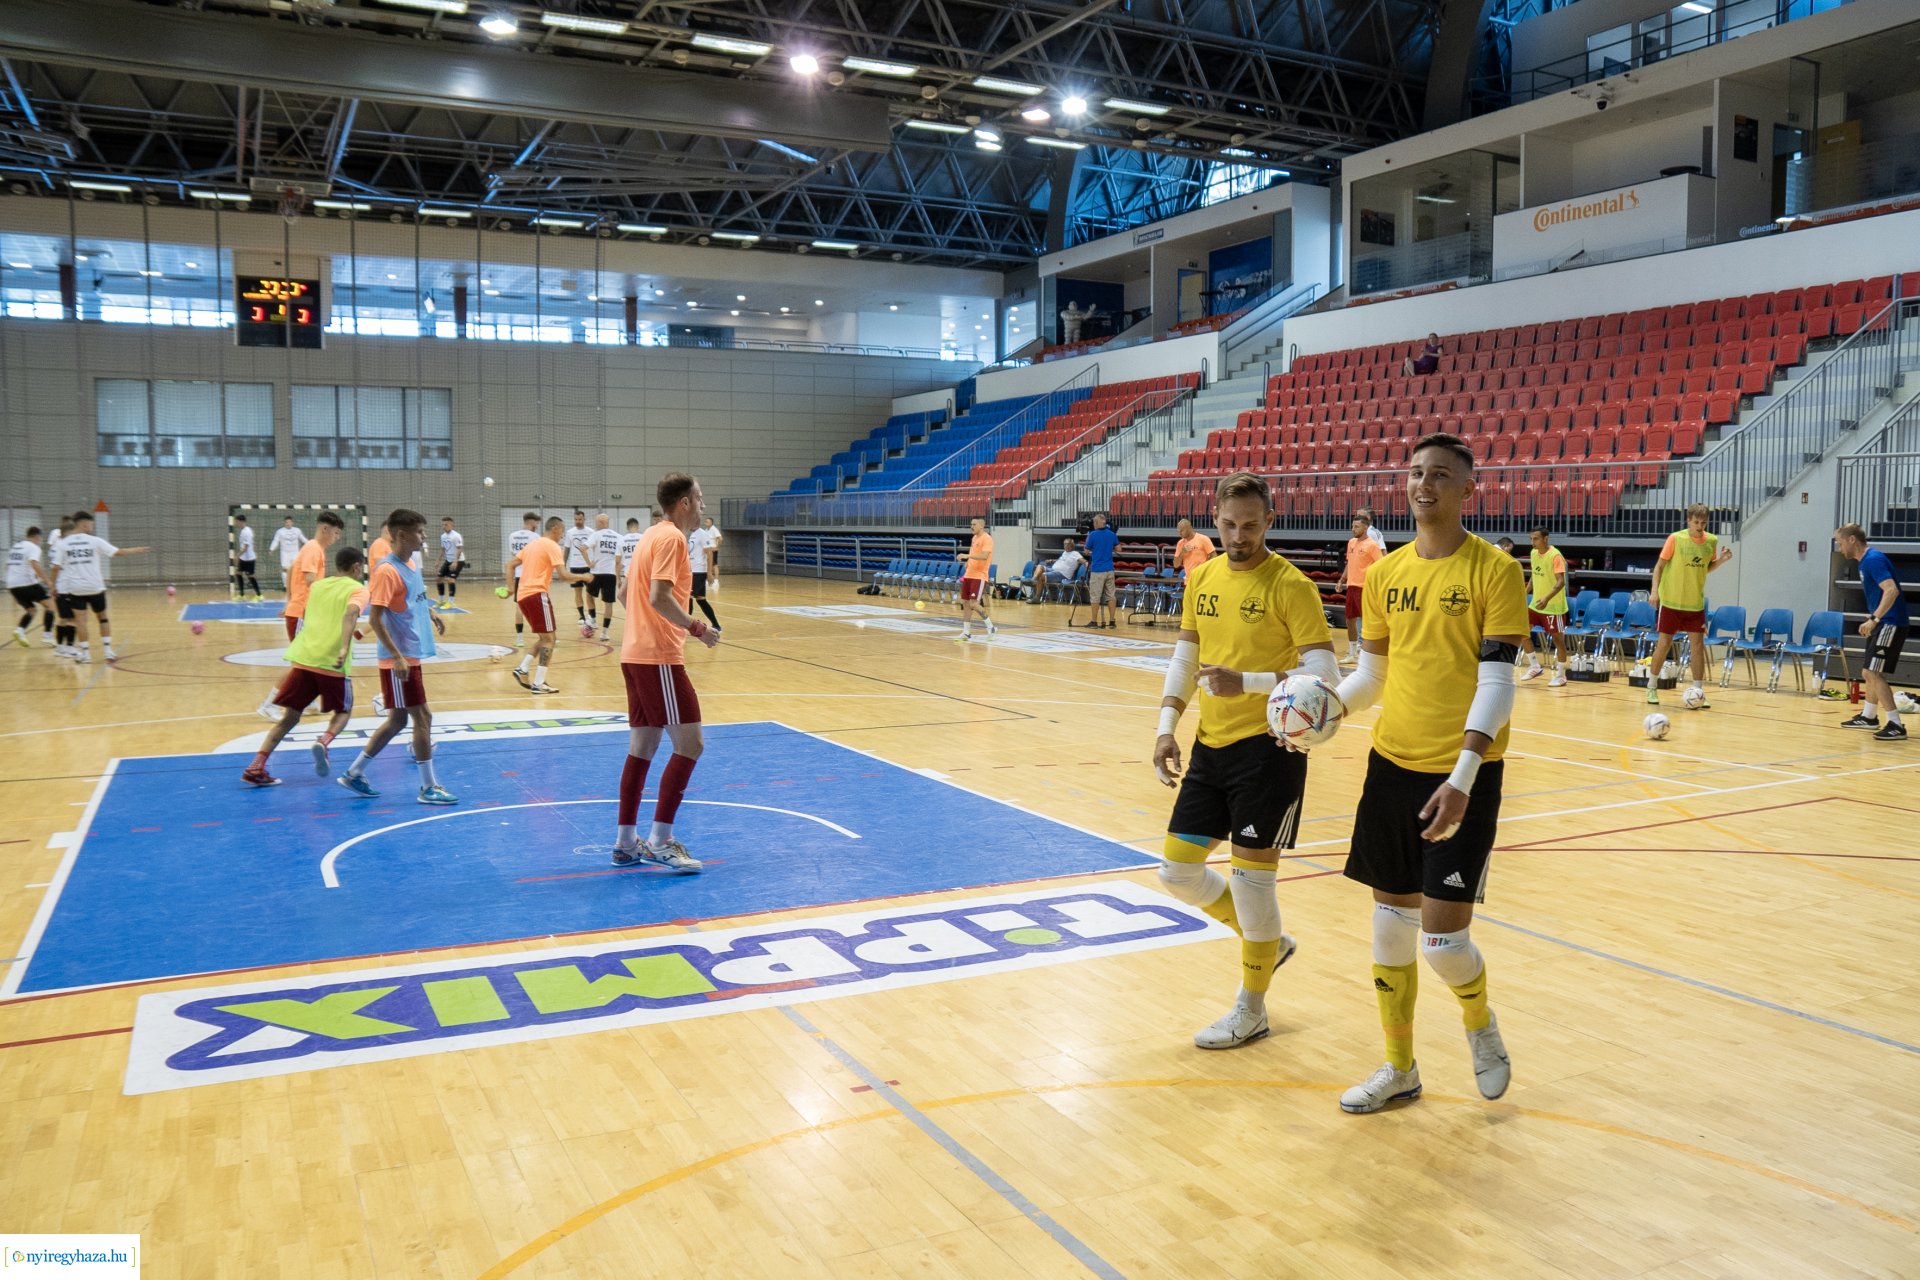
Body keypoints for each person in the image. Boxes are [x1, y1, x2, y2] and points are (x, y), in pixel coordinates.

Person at [1324, 431, 1527, 1114]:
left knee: (1442, 943)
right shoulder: (1385, 574)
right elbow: (1372, 676)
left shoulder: (1495, 571)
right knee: (1389, 928)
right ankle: (1399, 1068)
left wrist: (1462, 778)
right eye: (1416, 472)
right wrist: (1326, 710)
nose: (1424, 484)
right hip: (1392, 766)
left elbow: (1498, 684)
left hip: (1463, 775)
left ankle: (1479, 1022)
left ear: (1468, 489)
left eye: (1440, 474)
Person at [1151, 471, 1338, 1049]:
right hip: (1210, 744)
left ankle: (1251, 1008)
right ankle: (1268, 944)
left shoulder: (1292, 586)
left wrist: (1249, 682)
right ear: (1215, 520)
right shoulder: (1203, 576)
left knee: (1253, 886)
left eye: (1251, 525)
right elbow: (1186, 659)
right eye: (1230, 525)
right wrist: (1166, 727)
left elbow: (1326, 674)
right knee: (1177, 871)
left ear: (1270, 522)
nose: (1239, 536)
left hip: (1269, 751)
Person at [612, 473, 722, 871]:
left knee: (642, 749)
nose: (703, 505)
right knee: (691, 745)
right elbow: (658, 596)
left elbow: (625, 594)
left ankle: (626, 843)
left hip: (635, 654)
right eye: (700, 497)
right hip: (658, 658)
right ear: (684, 503)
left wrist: (643, 626)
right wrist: (697, 628)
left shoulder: (648, 536)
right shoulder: (673, 538)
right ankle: (660, 840)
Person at [338, 509, 456, 804]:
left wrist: (431, 612)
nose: (424, 536)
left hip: (409, 654)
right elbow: (375, 619)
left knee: (398, 721)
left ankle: (354, 773)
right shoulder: (387, 571)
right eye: (420, 532)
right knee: (422, 717)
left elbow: (414, 597)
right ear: (402, 535)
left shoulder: (411, 564)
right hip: (399, 660)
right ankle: (428, 787)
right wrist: (397, 657)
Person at [242, 546, 367, 788]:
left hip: (304, 658)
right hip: (331, 662)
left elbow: (307, 613)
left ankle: (256, 766)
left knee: (289, 718)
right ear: (356, 567)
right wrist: (343, 647)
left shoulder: (318, 586)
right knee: (343, 711)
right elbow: (351, 613)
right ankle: (324, 741)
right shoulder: (358, 589)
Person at [1644, 503, 1733, 709]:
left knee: (1698, 647)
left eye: (1703, 523)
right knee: (1664, 645)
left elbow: (1705, 568)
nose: (1700, 526)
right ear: (1688, 521)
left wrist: (1721, 560)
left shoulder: (1711, 541)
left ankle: (1698, 692)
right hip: (1671, 601)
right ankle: (1652, 686)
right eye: (1696, 522)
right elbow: (1659, 567)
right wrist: (1655, 591)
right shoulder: (1675, 539)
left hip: (1694, 604)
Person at [260, 511, 341, 716]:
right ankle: (269, 705)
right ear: (325, 528)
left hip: (301, 612)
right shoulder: (313, 549)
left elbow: (291, 572)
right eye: (336, 533)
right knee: (300, 663)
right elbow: (310, 580)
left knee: (310, 661)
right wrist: (335, 591)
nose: (337, 538)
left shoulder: (312, 548)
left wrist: (289, 600)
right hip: (301, 615)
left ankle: (308, 701)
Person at [1836, 523, 1909, 741]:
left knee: (1873, 673)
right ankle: (1869, 716)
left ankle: (1896, 724)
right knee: (1868, 672)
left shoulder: (1873, 560)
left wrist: (1874, 618)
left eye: (1840, 543)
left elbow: (1891, 590)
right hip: (1882, 622)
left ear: (1852, 540)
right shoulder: (1866, 561)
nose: (1840, 548)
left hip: (1890, 623)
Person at [508, 516, 591, 695]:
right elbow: (563, 575)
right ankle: (539, 683)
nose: (562, 536)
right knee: (549, 640)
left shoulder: (533, 545)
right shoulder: (552, 546)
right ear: (555, 529)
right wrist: (584, 577)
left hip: (523, 596)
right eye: (562, 531)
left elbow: (510, 565)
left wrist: (510, 589)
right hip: (537, 595)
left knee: (545, 637)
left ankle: (522, 669)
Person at [53, 512, 151, 664]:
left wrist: (52, 585)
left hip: (75, 588)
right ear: (84, 524)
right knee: (103, 618)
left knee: (80, 621)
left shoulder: (63, 543)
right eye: (91, 524)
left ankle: (86, 654)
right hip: (95, 587)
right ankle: (108, 651)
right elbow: (117, 552)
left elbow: (56, 567)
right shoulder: (94, 541)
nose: (92, 527)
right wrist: (135, 550)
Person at [1520, 527, 1571, 687]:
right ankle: (1535, 666)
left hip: (1553, 607)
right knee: (1522, 632)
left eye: (1535, 538)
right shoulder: (1533, 553)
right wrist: (1525, 593)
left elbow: (1561, 582)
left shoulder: (1555, 556)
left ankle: (1561, 675)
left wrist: (1547, 598)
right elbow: (1534, 576)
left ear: (1545, 539)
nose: (1532, 542)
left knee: (1558, 640)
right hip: (1535, 604)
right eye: (1531, 539)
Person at [1336, 513, 1384, 664]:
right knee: (1349, 620)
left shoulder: (1372, 545)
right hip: (1351, 586)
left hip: (1365, 588)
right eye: (1352, 526)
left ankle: (1370, 654)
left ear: (1365, 528)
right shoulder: (1351, 542)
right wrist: (1342, 580)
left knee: (1368, 621)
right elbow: (1349, 563)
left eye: (1356, 527)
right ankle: (1352, 653)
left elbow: (1381, 566)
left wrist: (1375, 585)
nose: (1353, 529)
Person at [7, 526, 54, 648]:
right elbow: (35, 564)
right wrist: (47, 581)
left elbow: (8, 566)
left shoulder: (15, 547)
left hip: (12, 585)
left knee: (31, 610)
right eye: (40, 539)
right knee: (50, 606)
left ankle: (20, 631)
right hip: (26, 583)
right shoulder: (33, 547)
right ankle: (48, 636)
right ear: (37, 537)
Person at [954, 516, 997, 642]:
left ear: (981, 526)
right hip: (969, 574)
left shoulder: (987, 538)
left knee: (974, 603)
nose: (971, 527)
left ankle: (991, 627)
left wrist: (967, 556)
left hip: (979, 575)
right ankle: (966, 632)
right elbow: (974, 551)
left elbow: (984, 556)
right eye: (971, 524)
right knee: (965, 603)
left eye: (974, 524)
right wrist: (968, 562)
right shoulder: (974, 538)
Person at [586, 513, 622, 641]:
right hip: (611, 574)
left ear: (601, 522)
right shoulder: (619, 537)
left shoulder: (596, 534)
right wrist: (619, 573)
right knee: (608, 604)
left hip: (596, 572)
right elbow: (620, 557)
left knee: (589, 596)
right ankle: (604, 633)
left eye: (597, 522)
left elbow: (583, 548)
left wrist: (589, 563)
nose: (595, 524)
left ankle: (593, 620)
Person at [506, 512, 539, 650]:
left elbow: (513, 555)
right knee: (538, 607)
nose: (537, 525)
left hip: (519, 575)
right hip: (532, 575)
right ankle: (546, 636)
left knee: (519, 606)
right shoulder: (535, 537)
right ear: (531, 522)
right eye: (536, 523)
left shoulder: (512, 536)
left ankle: (519, 639)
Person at [686, 515, 724, 634]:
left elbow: (709, 553)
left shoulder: (702, 534)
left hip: (699, 571)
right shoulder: (692, 534)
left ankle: (685, 625)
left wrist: (709, 573)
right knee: (697, 599)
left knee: (691, 598)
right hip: (692, 570)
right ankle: (715, 625)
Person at [1083, 512, 1119, 629]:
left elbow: (1086, 551)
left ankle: (1094, 621)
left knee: (1095, 596)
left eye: (1094, 522)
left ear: (1097, 522)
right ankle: (1112, 621)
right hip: (1109, 569)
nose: (1093, 524)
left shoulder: (1093, 534)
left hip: (1097, 569)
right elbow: (1119, 549)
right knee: (1111, 595)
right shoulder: (1111, 534)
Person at [47, 515, 76, 656]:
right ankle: (67, 647)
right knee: (70, 618)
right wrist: (52, 586)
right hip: (65, 587)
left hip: (65, 585)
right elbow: (55, 568)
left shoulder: (58, 546)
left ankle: (61, 647)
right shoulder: (64, 547)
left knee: (66, 618)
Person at [563, 509, 594, 628]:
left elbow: (594, 547)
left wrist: (593, 563)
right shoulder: (570, 533)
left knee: (590, 592)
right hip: (575, 566)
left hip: (587, 566)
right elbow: (567, 549)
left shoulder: (591, 532)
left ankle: (591, 615)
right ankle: (582, 616)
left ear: (584, 519)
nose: (578, 521)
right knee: (578, 592)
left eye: (580, 519)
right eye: (576, 519)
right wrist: (563, 564)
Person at [1028, 538, 1082, 603]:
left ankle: (1037, 597)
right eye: (1065, 544)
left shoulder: (1075, 554)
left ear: (1072, 545)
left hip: (1062, 574)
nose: (1066, 546)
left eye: (1068, 544)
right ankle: (1033, 579)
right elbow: (1061, 560)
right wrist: (1052, 560)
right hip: (1053, 570)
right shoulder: (1065, 553)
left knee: (1041, 576)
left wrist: (1086, 563)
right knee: (1039, 566)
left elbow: (1082, 560)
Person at [268, 515, 306, 593]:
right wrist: (271, 549)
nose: (288, 524)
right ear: (284, 523)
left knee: (295, 570)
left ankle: (295, 585)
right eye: (286, 522)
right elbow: (276, 541)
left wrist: (311, 545)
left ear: (292, 523)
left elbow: (303, 539)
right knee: (285, 570)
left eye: (289, 522)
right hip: (285, 554)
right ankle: (286, 586)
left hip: (295, 553)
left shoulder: (297, 530)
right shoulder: (280, 531)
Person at [434, 516, 465, 609]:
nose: (444, 526)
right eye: (443, 525)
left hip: (458, 560)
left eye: (446, 525)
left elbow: (459, 549)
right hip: (448, 560)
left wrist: (455, 561)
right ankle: (441, 600)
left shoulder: (456, 535)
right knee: (438, 579)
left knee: (450, 580)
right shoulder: (443, 536)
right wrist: (438, 560)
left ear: (451, 525)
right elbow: (443, 549)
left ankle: (451, 602)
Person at [231, 514, 261, 602]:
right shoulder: (243, 531)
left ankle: (259, 595)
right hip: (243, 558)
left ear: (241, 521)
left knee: (251, 576)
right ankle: (241, 595)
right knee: (238, 573)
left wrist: (237, 556)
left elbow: (246, 547)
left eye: (236, 521)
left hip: (249, 558)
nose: (235, 523)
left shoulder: (247, 532)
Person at [700, 517, 724, 592]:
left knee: (714, 564)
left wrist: (717, 547)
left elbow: (720, 538)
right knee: (708, 565)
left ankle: (716, 580)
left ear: (711, 523)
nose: (706, 522)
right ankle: (709, 580)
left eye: (708, 521)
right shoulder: (706, 530)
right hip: (708, 550)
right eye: (705, 521)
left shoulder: (714, 529)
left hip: (713, 550)